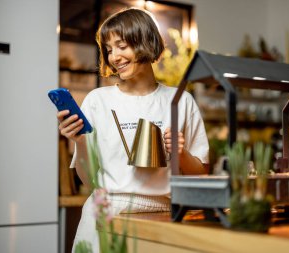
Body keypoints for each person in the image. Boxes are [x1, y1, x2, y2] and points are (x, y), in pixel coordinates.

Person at [57, 7, 209, 252]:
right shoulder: (98, 100)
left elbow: (201, 172)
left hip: (163, 216)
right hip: (106, 213)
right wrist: (79, 141)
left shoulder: (180, 101)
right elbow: (89, 180)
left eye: (121, 45)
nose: (114, 56)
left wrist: (180, 154)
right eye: (108, 49)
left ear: (145, 40)